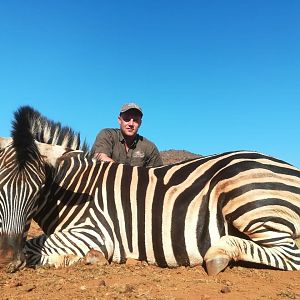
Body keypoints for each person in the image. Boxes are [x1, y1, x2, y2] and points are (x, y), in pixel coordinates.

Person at [91, 102, 163, 167]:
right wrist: (126, 174)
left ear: (140, 123)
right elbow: (100, 157)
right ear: (119, 120)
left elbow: (157, 173)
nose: (131, 124)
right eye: (127, 119)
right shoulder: (107, 135)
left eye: (135, 120)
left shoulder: (149, 147)